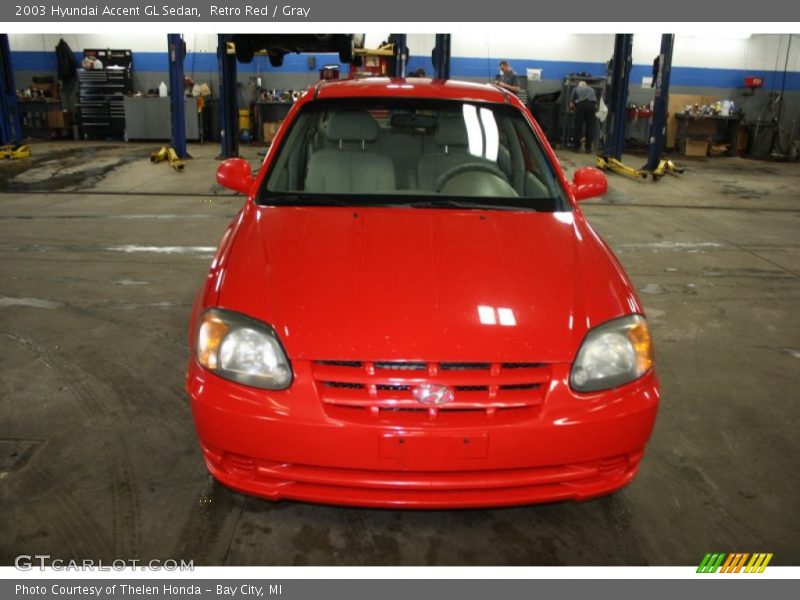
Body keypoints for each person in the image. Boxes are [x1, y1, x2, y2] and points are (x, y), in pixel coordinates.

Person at [570, 81, 598, 152]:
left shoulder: (576, 88)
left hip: (581, 105)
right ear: (586, 85)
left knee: (578, 126)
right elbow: (595, 103)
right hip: (591, 106)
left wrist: (574, 109)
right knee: (590, 127)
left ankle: (576, 147)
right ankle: (588, 148)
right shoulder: (592, 89)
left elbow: (571, 103)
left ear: (579, 85)